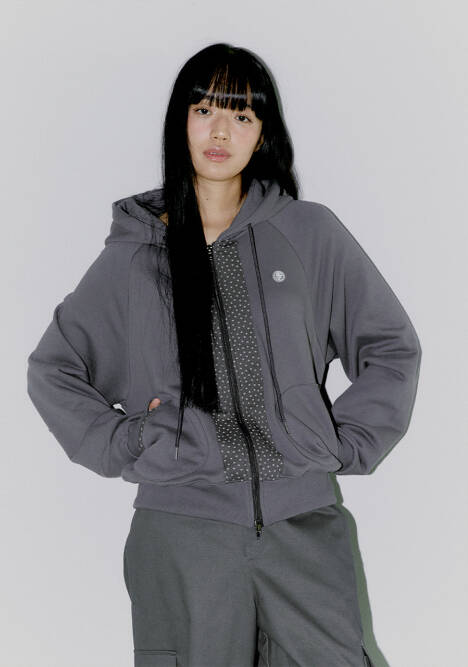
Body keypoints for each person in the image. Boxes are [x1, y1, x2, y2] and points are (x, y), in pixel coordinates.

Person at [26, 43, 421, 667]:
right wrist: (132, 440)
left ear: (262, 134)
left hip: (304, 525)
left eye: (241, 115)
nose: (220, 131)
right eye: (205, 109)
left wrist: (342, 442)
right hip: (182, 535)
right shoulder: (134, 255)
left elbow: (390, 346)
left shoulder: (309, 232)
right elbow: (54, 368)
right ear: (179, 121)